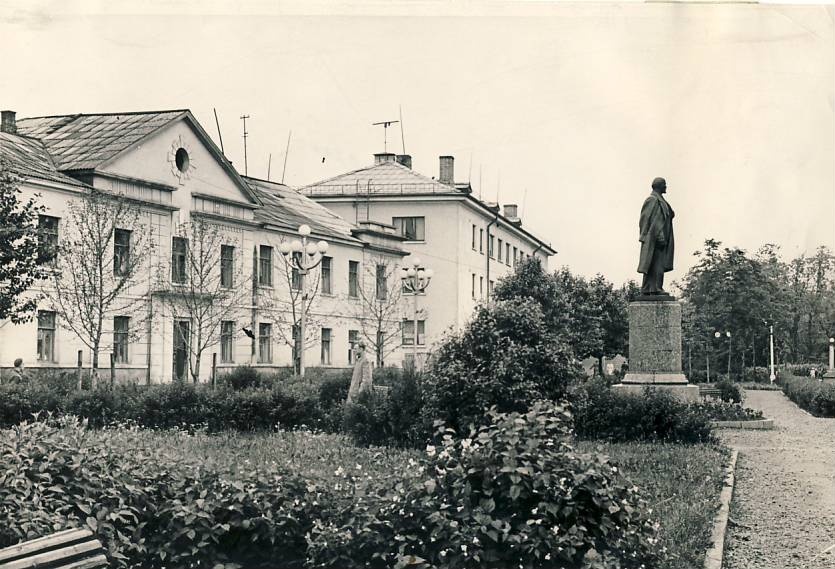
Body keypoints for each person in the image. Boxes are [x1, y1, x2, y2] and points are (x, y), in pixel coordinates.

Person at [637, 177, 676, 296]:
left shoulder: (661, 200)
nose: (666, 186)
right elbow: (645, 219)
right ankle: (652, 288)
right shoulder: (652, 199)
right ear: (659, 186)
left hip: (662, 238)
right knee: (653, 263)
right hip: (655, 238)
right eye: (664, 184)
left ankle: (653, 288)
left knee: (658, 264)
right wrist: (648, 236)